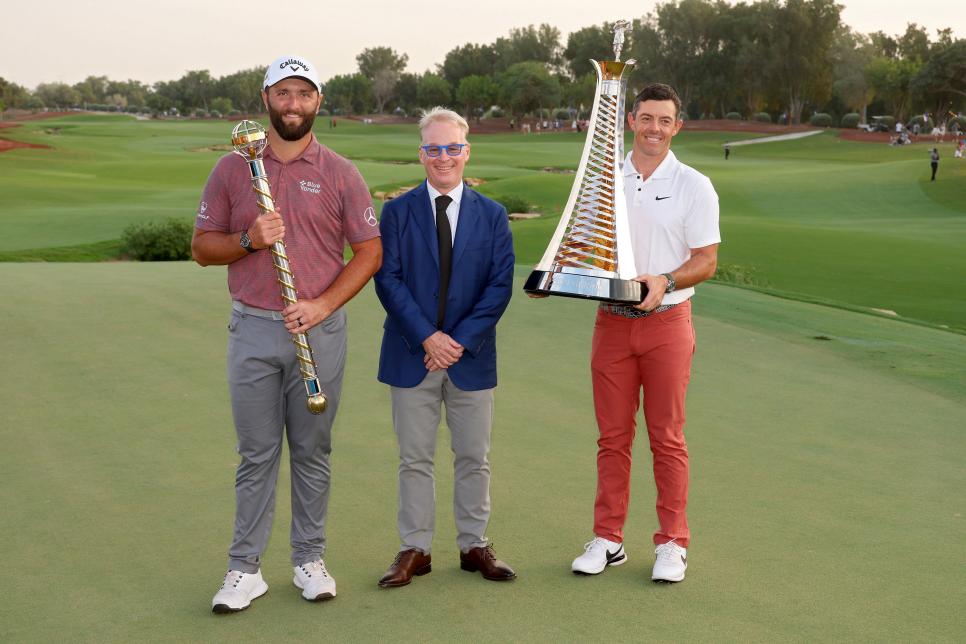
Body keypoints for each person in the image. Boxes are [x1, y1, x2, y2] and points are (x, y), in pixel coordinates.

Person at [192, 54, 382, 612]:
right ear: (265, 100)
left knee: (312, 451)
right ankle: (243, 569)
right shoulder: (233, 168)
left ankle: (308, 559)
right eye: (283, 93)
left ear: (318, 101)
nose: (293, 104)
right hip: (252, 327)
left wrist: (323, 304)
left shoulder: (342, 172)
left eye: (303, 93)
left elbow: (369, 251)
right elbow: (203, 248)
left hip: (319, 332)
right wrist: (248, 239)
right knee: (255, 454)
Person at [569, 83, 720, 583]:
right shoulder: (604, 181)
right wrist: (557, 277)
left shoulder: (694, 185)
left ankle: (672, 542)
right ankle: (608, 539)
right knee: (612, 438)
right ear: (632, 120)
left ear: (677, 126)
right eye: (647, 118)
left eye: (665, 120)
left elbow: (706, 260)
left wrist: (665, 280)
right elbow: (584, 245)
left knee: (667, 438)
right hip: (611, 323)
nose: (654, 128)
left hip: (668, 324)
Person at [373, 107, 516, 588]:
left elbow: (498, 288)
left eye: (452, 148)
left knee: (474, 456)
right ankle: (415, 548)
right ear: (421, 154)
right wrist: (428, 338)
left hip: (470, 358)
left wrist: (455, 343)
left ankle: (474, 545)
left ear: (466, 151)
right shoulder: (395, 212)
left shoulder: (493, 216)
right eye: (433, 149)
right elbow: (388, 281)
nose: (443, 157)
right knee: (414, 459)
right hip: (411, 353)